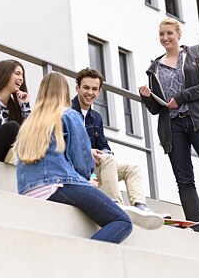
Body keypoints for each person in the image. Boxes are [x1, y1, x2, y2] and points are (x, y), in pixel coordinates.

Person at [14, 72, 163, 244]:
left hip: (28, 190)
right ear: (66, 92)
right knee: (122, 221)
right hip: (58, 184)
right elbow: (82, 164)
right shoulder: (68, 115)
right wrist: (88, 180)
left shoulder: (29, 123)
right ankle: (85, 255)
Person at [139, 17, 199, 235]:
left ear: (179, 34)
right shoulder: (154, 68)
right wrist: (147, 97)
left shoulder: (195, 54)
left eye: (169, 33)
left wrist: (182, 96)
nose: (165, 38)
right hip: (173, 126)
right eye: (161, 34)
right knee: (184, 181)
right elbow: (156, 109)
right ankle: (198, 233)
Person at [72, 68, 169, 218]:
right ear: (77, 87)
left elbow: (103, 145)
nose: (90, 92)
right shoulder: (67, 111)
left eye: (94, 89)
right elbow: (63, 143)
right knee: (108, 159)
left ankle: (140, 207)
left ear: (99, 92)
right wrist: (87, 151)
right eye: (86, 87)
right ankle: (116, 205)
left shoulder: (96, 117)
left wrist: (103, 154)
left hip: (95, 166)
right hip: (76, 167)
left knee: (132, 168)